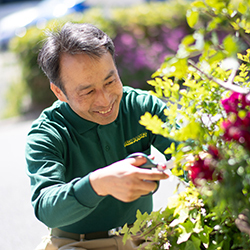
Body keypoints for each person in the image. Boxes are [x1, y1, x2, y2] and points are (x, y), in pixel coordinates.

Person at [25, 22, 178, 250]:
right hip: (77, 244)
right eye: (87, 92)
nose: (105, 101)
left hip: (145, 237)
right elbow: (47, 208)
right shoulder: (47, 133)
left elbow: (190, 150)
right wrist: (98, 183)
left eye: (110, 81)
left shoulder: (140, 106)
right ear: (59, 92)